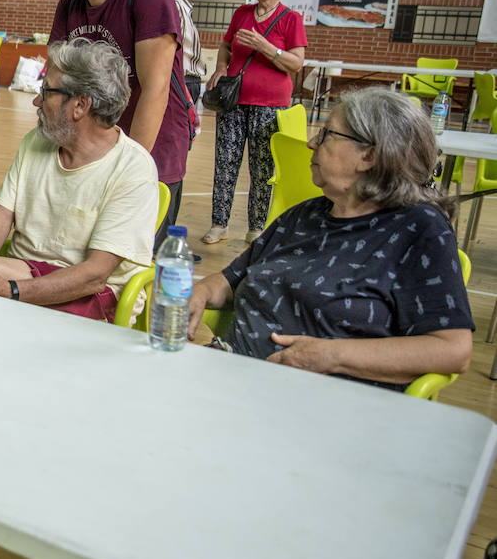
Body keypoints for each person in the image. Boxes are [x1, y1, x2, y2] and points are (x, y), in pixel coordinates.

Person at [190, 88, 472, 388]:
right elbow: (231, 279)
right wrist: (200, 293)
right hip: (233, 378)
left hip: (324, 404)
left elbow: (452, 348)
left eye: (326, 135)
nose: (311, 142)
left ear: (369, 155)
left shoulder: (419, 228)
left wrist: (329, 356)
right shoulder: (305, 215)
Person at [0, 37, 159, 321]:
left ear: (80, 105)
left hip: (92, 294)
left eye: (46, 91)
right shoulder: (35, 142)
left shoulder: (133, 168)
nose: (36, 100)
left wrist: (12, 289)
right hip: (21, 275)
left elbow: (95, 275)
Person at [48, 0, 192, 242]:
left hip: (150, 146)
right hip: (94, 146)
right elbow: (54, 79)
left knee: (132, 259)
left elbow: (155, 89)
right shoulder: (70, 2)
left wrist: (131, 166)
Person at [201, 0, 307, 245]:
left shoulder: (291, 19)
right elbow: (225, 44)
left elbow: (296, 63)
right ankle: (218, 224)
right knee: (225, 162)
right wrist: (221, 67)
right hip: (233, 100)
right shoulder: (242, 13)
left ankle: (256, 225)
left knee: (262, 168)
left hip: (270, 105)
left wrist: (265, 47)